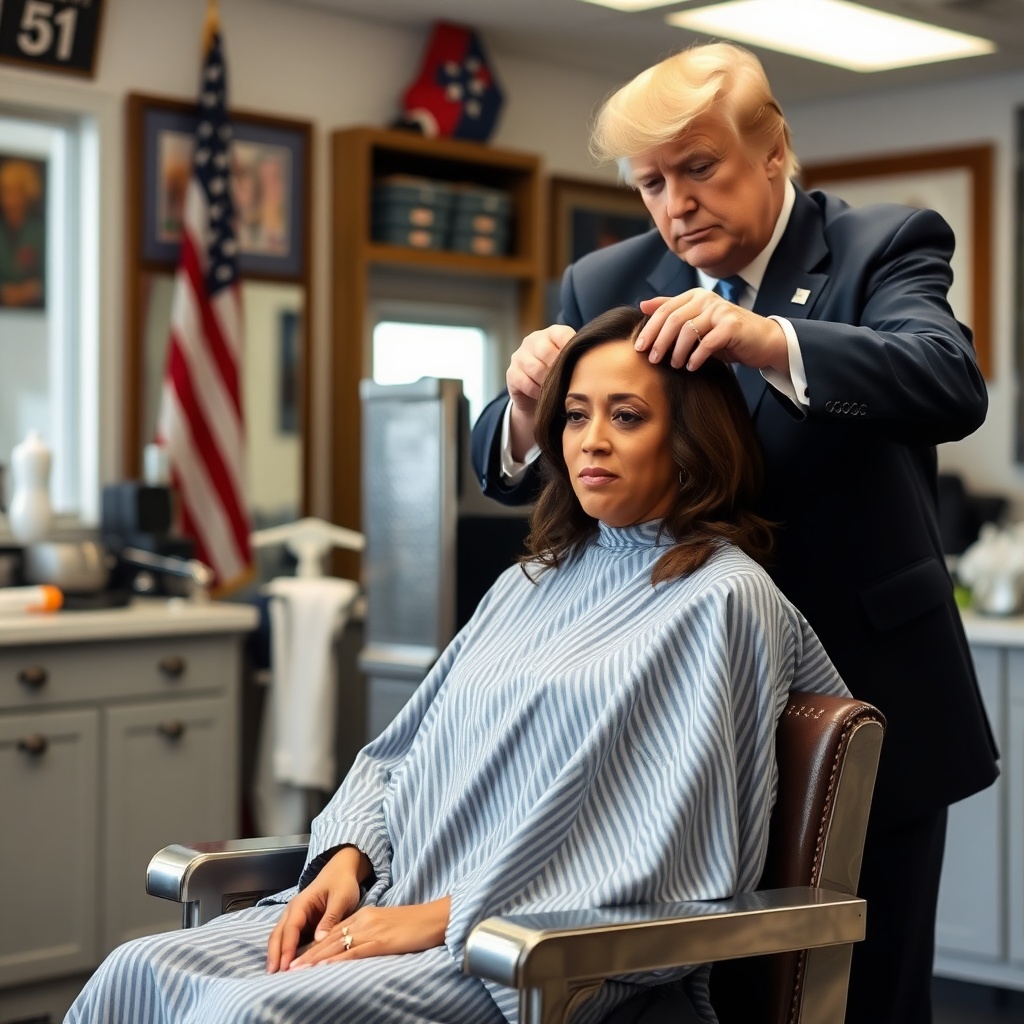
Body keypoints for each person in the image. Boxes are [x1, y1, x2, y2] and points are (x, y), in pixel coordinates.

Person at [68, 306, 848, 1024]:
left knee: (241, 1015)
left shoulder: (723, 597)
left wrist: (438, 919)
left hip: (524, 952)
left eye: (628, 417)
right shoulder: (531, 579)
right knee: (137, 972)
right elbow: (403, 753)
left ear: (691, 442)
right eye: (575, 415)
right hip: (395, 900)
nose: (590, 441)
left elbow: (668, 847)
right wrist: (347, 857)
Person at [470, 42, 999, 1024]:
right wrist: (524, 400)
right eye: (650, 183)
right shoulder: (606, 281)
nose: (674, 204)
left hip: (862, 692)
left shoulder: (882, 243)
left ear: (773, 152)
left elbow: (945, 382)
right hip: (676, 715)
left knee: (863, 998)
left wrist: (769, 340)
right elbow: (509, 469)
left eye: (699, 169)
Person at [0, 157, 45, 308]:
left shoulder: (40, 232)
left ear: (27, 193)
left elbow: (52, 279)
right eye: (5, 190)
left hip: (34, 314)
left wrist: (26, 292)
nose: (9, 198)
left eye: (15, 191)